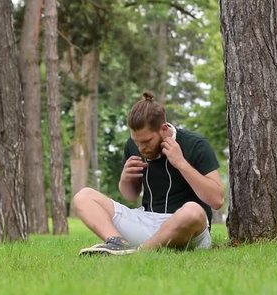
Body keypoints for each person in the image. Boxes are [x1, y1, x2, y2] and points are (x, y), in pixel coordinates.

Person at [75, 92, 224, 255]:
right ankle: (118, 244)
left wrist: (181, 163)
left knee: (192, 211)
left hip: (187, 229)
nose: (141, 148)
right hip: (146, 221)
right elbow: (130, 196)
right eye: (136, 142)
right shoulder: (132, 146)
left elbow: (216, 200)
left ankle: (139, 253)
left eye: (146, 142)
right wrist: (126, 178)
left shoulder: (196, 144)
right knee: (83, 196)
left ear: (164, 129)